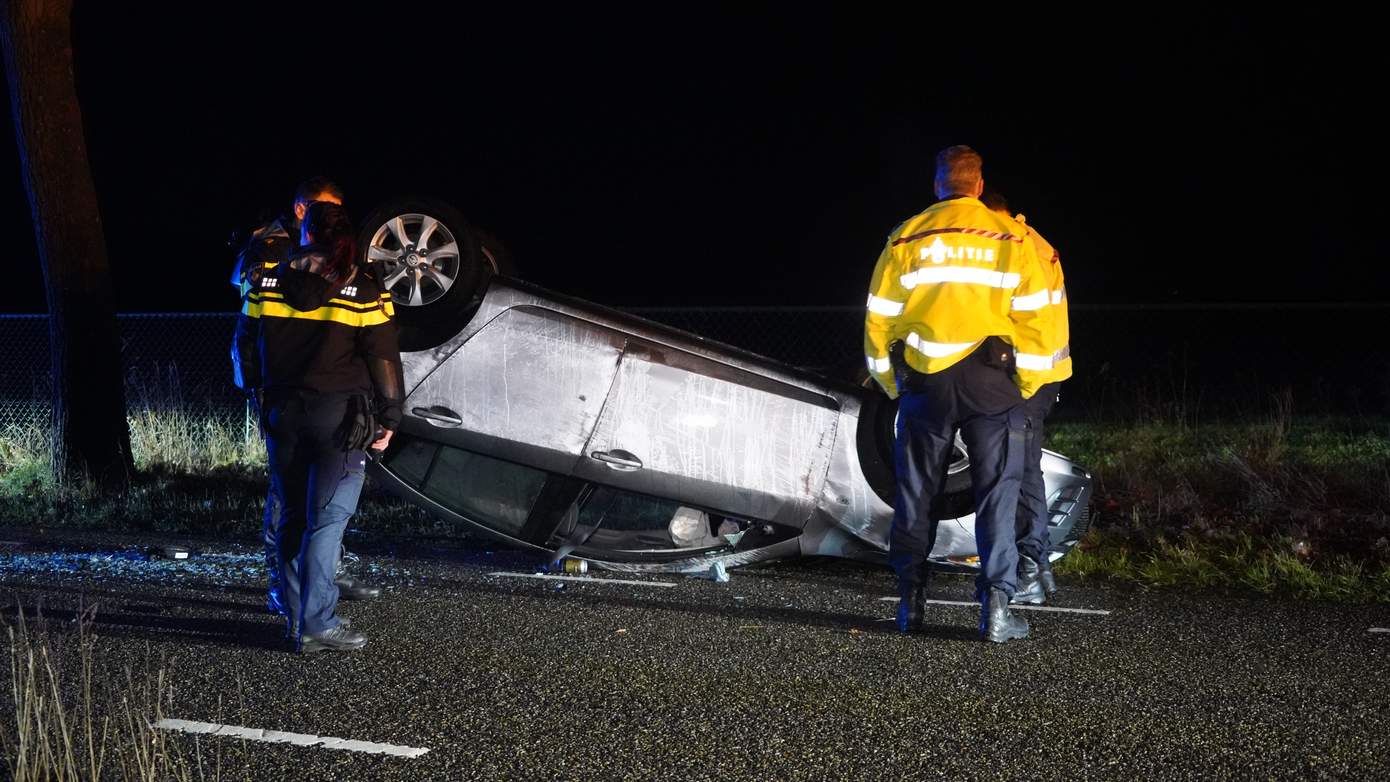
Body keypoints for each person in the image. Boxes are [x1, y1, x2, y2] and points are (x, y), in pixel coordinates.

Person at [863, 145, 1061, 643]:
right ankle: (995, 610)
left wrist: (891, 381)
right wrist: (1029, 383)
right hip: (993, 384)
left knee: (917, 493)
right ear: (977, 185)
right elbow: (1036, 316)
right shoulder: (1012, 238)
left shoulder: (907, 236)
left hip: (926, 384)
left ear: (937, 185)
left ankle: (910, 605)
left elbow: (878, 318)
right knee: (998, 493)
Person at [232, 201, 404, 653]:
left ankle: (294, 619)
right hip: (340, 420)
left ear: (303, 231)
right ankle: (318, 622)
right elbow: (383, 359)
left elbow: (243, 346)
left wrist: (257, 396)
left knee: (289, 516)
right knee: (325, 523)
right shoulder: (361, 287)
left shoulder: (265, 280)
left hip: (281, 413)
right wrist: (389, 418)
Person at [981, 191, 1073, 605]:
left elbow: (1023, 321)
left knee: (1019, 471)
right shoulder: (1033, 240)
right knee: (1024, 467)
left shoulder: (1020, 247)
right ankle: (1039, 569)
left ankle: (1031, 566)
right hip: (1043, 374)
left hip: (1030, 378)